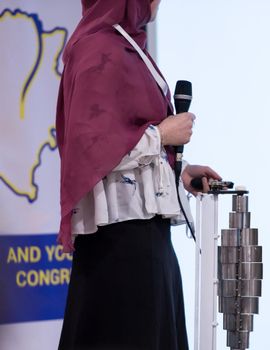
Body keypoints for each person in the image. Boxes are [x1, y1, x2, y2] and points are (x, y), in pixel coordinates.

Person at [55, 1, 220, 349]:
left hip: (148, 241)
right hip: (120, 250)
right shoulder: (98, 49)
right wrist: (162, 136)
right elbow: (91, 148)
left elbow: (124, 137)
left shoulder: (128, 46)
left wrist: (181, 173)